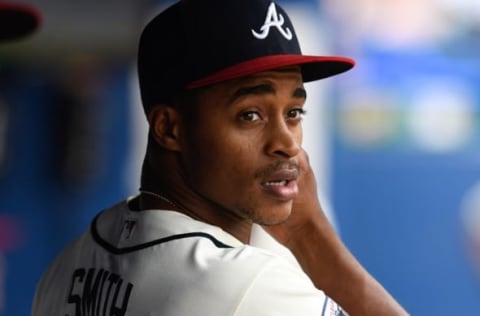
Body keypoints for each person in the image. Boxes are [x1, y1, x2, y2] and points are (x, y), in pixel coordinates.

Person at [32, 0, 408, 315]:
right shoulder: (252, 287)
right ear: (169, 128)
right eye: (250, 115)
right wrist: (310, 236)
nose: (287, 143)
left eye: (294, 113)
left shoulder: (68, 264)